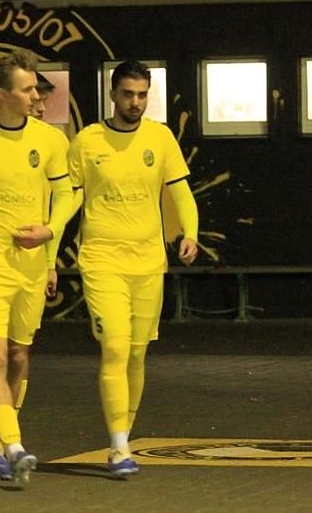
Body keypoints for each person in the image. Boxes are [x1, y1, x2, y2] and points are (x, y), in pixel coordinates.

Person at [67, 59, 198, 476]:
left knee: (137, 353)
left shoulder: (160, 138)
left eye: (142, 95)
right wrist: (49, 234)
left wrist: (191, 233)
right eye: (128, 94)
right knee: (115, 347)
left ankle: (125, 432)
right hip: (101, 259)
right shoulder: (87, 141)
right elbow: (70, 196)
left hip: (148, 262)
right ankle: (118, 445)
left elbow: (181, 192)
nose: (135, 102)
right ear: (112, 94)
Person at [0, 50, 73, 485]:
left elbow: (67, 194)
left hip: (29, 267)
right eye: (28, 89)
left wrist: (49, 231)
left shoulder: (50, 140)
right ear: (1, 94)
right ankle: (5, 446)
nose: (37, 96)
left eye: (36, 88)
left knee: (17, 355)